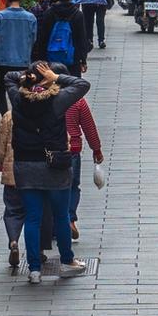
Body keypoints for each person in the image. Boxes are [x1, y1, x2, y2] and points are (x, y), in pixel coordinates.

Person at [7, 62, 91, 283]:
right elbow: (82, 84)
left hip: (25, 166)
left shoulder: (17, 99)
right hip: (54, 166)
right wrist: (55, 77)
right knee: (61, 215)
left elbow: (8, 76)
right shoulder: (57, 101)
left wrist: (27, 76)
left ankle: (34, 270)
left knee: (32, 218)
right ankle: (66, 261)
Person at [51, 62, 103, 241]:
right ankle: (70, 219)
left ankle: (55, 223)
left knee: (52, 188)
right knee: (72, 186)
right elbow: (89, 127)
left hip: (50, 152)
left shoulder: (43, 99)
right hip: (72, 150)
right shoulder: (77, 101)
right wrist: (96, 149)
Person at [33, 0, 90, 75]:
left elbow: (43, 37)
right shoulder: (77, 14)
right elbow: (82, 39)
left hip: (51, 59)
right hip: (72, 59)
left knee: (54, 86)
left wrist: (41, 58)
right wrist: (83, 60)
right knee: (72, 86)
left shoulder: (49, 13)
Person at [0, 110, 26, 268]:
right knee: (35, 213)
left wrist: (1, 160)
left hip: (12, 172)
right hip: (35, 174)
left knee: (12, 210)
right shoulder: (44, 108)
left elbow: (0, 142)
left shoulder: (10, 115)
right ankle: (38, 250)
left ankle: (13, 241)